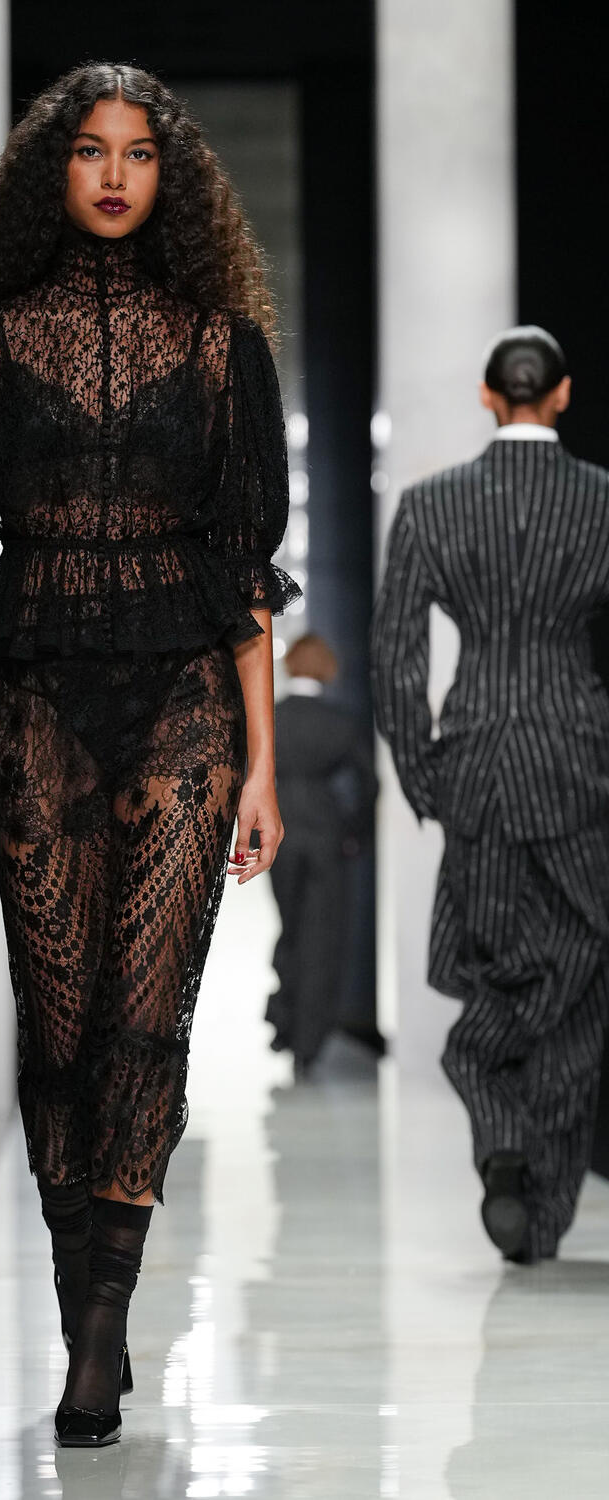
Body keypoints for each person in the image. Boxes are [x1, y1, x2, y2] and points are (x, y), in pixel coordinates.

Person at [0, 64, 298, 1445]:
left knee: (145, 1016)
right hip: (33, 703)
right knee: (62, 1026)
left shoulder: (222, 345)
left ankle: (102, 1332)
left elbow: (246, 579)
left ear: (169, 176)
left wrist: (261, 769)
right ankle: (85, 1298)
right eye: (90, 150)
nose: (116, 173)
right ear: (51, 171)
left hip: (184, 699)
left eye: (138, 152)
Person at [371, 326, 609, 1264]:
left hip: (473, 766)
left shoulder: (433, 507)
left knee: (493, 966)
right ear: (561, 394)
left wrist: (425, 774)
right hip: (577, 763)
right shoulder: (599, 502)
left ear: (486, 394)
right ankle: (538, 1206)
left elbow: (396, 657)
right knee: (580, 978)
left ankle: (502, 1133)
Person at [266, 634, 377, 1075]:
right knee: (322, 935)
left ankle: (285, 1023)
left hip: (281, 833)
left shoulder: (272, 719)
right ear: (327, 668)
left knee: (291, 928)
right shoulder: (340, 722)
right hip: (328, 837)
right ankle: (308, 1040)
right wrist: (353, 833)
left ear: (291, 664)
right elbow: (369, 785)